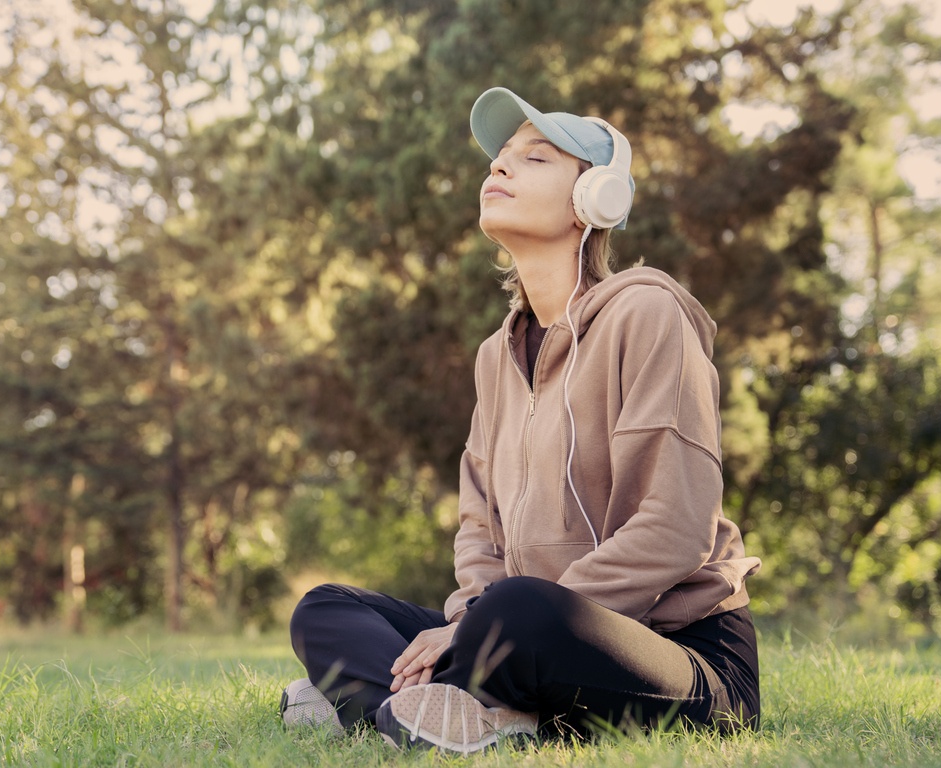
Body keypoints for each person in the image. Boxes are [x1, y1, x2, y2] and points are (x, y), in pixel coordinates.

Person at [279, 86, 763, 754]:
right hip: (519, 635)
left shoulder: (647, 313)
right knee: (327, 609)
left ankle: (381, 702)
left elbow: (675, 529)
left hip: (676, 655)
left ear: (595, 199)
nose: (497, 169)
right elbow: (479, 531)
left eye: (533, 159)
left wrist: (476, 626)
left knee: (519, 610)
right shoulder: (494, 356)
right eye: (498, 159)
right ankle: (465, 711)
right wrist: (467, 621)